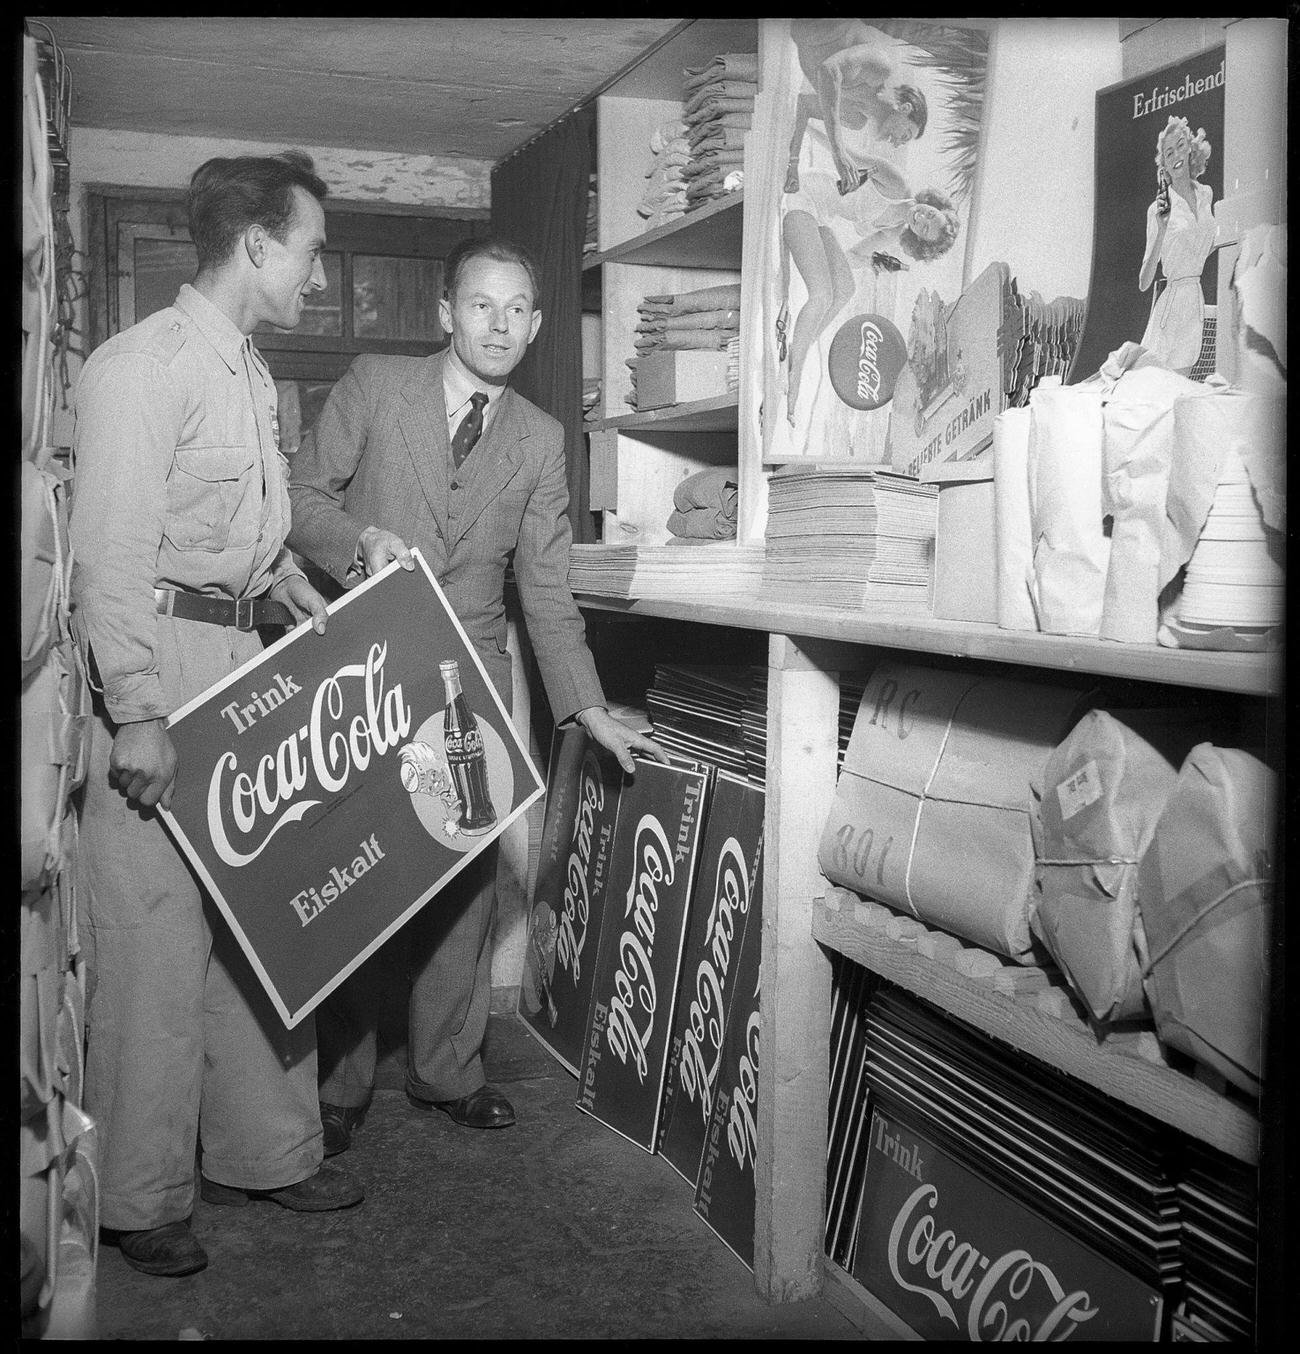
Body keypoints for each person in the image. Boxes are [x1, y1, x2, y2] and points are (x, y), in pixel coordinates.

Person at [287, 235, 667, 1155]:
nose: (498, 324)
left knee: (462, 881)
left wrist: (584, 706)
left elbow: (544, 588)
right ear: (446, 312)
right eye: (481, 305)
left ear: (536, 327)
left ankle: (448, 1068)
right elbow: (299, 498)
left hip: (470, 680)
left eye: (516, 311)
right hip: (366, 670)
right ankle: (337, 1086)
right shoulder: (378, 385)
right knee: (360, 876)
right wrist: (359, 541)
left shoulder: (540, 439)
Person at [69, 150, 365, 1280]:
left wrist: (296, 592)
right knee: (151, 937)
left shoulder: (243, 367)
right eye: (309, 246)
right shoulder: (141, 367)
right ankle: (140, 1196)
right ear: (255, 246)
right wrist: (137, 709)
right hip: (159, 661)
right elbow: (114, 550)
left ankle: (267, 1148)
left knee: (264, 911)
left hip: (242, 651)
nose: (317, 269)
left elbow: (240, 536)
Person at [777, 156, 959, 421]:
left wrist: (871, 261)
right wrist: (793, 153)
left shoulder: (894, 231)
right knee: (822, 294)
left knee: (845, 290)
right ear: (932, 203)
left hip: (819, 215)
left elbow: (850, 257)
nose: (921, 218)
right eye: (929, 214)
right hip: (804, 194)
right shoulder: (898, 184)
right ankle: (794, 378)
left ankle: (798, 348)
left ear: (919, 239)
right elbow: (841, 148)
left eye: (925, 229)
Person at [784, 18, 929, 196]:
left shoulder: (855, 119)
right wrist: (839, 153)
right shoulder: (880, 69)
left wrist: (793, 165)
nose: (898, 143)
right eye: (905, 135)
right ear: (905, 108)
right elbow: (828, 70)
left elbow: (805, 105)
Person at [1138, 115, 1216, 375]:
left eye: (1181, 145)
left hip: (1195, 302)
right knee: (1153, 395)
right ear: (1165, 165)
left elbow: (1204, 242)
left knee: (1180, 391)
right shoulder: (1157, 209)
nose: (1176, 155)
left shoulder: (1206, 194)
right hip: (1170, 311)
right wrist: (1161, 229)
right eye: (1168, 152)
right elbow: (1144, 282)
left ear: (1191, 148)